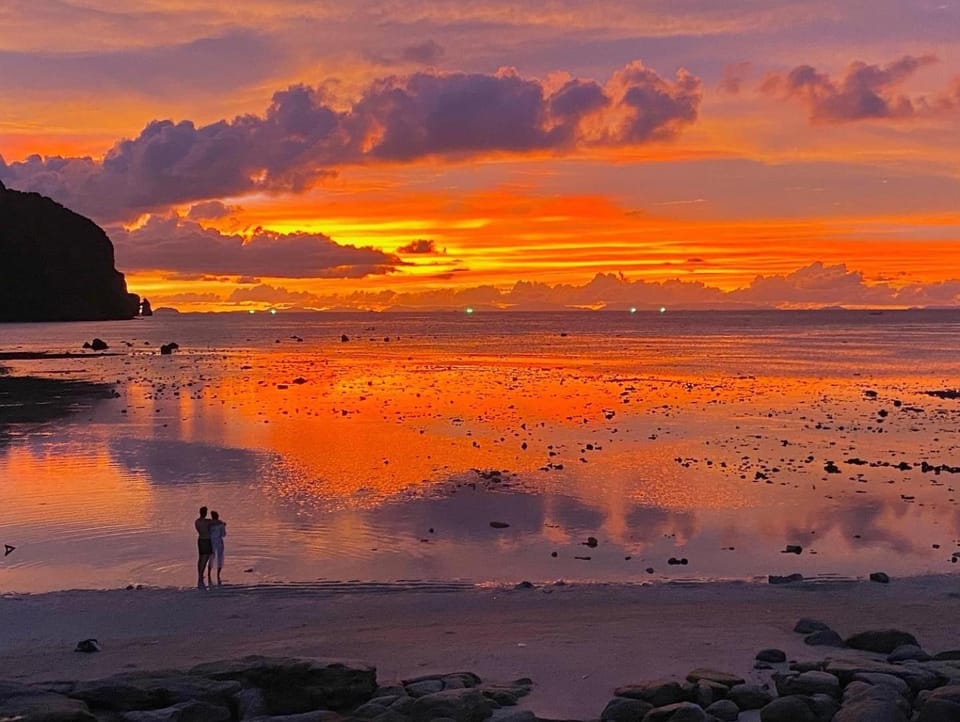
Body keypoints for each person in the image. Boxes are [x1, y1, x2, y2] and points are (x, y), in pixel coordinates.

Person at [195, 506, 213, 589]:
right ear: (205, 513)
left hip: (200, 540)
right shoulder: (207, 522)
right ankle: (201, 575)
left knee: (200, 558)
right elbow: (216, 522)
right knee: (205, 558)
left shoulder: (197, 522)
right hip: (206, 540)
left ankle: (200, 574)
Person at [207, 510, 227, 586]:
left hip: (211, 542)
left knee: (211, 557)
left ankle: (209, 574)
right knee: (220, 558)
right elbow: (223, 534)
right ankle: (218, 575)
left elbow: (207, 532)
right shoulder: (221, 524)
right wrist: (224, 526)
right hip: (219, 542)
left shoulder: (209, 524)